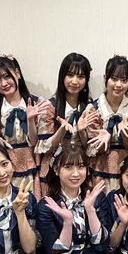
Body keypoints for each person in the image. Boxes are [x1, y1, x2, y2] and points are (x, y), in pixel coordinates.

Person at [0, 55, 52, 199]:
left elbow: (35, 143)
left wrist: (30, 120)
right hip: (5, 171)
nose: (3, 83)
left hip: (32, 167)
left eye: (7, 76)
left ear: (17, 73)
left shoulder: (37, 103)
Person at [38, 53, 95, 194]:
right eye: (70, 75)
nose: (75, 81)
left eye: (80, 76)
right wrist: (61, 131)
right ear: (62, 76)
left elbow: (90, 149)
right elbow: (45, 149)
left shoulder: (89, 108)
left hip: (79, 171)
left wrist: (81, 132)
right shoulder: (50, 107)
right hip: (55, 170)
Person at [85, 55, 128, 191]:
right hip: (100, 172)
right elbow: (94, 151)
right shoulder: (93, 109)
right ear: (105, 78)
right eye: (114, 78)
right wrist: (105, 138)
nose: (119, 85)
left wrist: (126, 133)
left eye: (124, 80)